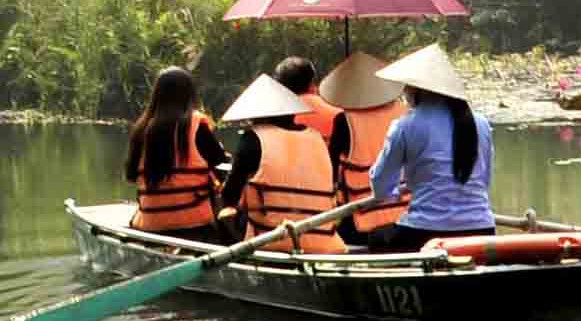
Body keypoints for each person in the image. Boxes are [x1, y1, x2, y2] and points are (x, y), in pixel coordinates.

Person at [349, 44, 496, 252]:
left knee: (376, 237)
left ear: (416, 89)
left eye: (406, 86)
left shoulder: (405, 125)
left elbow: (380, 186)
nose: (404, 92)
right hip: (482, 229)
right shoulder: (481, 123)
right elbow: (485, 181)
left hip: (424, 233)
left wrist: (394, 193)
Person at [216, 72, 356, 253]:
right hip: (323, 238)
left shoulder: (253, 138)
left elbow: (230, 195)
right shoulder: (316, 138)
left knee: (225, 213)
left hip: (271, 238)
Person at [124, 65, 225, 239]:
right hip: (197, 225)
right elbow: (221, 166)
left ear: (156, 95)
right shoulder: (196, 124)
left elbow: (131, 176)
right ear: (189, 94)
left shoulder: (141, 129)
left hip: (150, 224)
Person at [320, 52, 413, 241]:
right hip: (409, 215)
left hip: (360, 221)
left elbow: (329, 169)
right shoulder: (406, 113)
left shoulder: (344, 121)